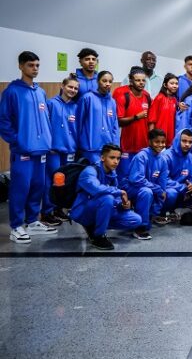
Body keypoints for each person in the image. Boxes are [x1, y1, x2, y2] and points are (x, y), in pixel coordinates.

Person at [0, 51, 57, 242]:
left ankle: (32, 222)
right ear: (21, 66)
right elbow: (4, 121)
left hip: (41, 150)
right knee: (20, 188)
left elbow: (45, 120)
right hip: (23, 150)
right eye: (31, 65)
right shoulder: (12, 91)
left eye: (37, 65)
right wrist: (17, 142)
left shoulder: (40, 92)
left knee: (38, 186)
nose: (35, 69)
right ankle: (17, 226)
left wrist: (48, 141)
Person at [70, 144, 142, 250]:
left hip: (102, 208)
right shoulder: (89, 171)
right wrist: (119, 192)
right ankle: (98, 236)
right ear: (102, 158)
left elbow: (115, 200)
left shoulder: (113, 174)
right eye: (112, 157)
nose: (116, 162)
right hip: (83, 210)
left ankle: (95, 226)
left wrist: (122, 205)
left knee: (136, 219)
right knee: (107, 198)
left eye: (118, 158)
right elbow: (97, 189)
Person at [42, 75, 80, 225]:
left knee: (64, 182)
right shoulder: (51, 104)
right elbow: (45, 126)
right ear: (62, 86)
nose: (73, 90)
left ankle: (58, 209)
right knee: (52, 181)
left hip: (69, 150)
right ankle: (46, 212)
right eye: (70, 87)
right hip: (54, 151)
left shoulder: (75, 108)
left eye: (76, 88)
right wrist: (48, 145)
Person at [125, 128, 174, 239]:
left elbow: (162, 184)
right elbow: (137, 180)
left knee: (162, 193)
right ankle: (140, 228)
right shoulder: (141, 156)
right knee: (147, 191)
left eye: (163, 142)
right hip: (131, 188)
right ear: (150, 142)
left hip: (149, 189)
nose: (160, 145)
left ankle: (149, 216)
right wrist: (158, 189)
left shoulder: (163, 160)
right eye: (157, 142)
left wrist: (160, 194)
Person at [114, 67, 153, 183]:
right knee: (124, 177)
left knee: (140, 177)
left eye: (143, 80)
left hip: (143, 146)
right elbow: (118, 121)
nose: (141, 83)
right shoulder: (122, 94)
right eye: (137, 80)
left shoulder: (146, 96)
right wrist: (136, 117)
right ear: (131, 81)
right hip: (126, 146)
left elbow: (151, 119)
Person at [76, 70, 120, 165]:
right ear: (97, 81)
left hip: (108, 149)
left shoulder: (112, 102)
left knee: (106, 177)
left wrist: (116, 146)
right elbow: (78, 123)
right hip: (90, 148)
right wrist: (78, 144)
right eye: (104, 81)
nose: (107, 84)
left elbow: (115, 126)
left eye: (110, 81)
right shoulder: (87, 98)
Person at [160, 129, 192, 217]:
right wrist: (183, 188)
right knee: (172, 194)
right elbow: (164, 179)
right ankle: (162, 213)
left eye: (190, 142)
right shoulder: (166, 156)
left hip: (185, 191)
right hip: (169, 189)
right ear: (178, 140)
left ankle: (185, 211)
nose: (187, 145)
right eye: (184, 141)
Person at [148, 73, 178, 148]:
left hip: (170, 138)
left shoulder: (174, 100)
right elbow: (152, 120)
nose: (175, 86)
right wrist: (151, 137)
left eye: (176, 83)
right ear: (165, 85)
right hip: (158, 137)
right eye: (172, 83)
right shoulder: (159, 98)